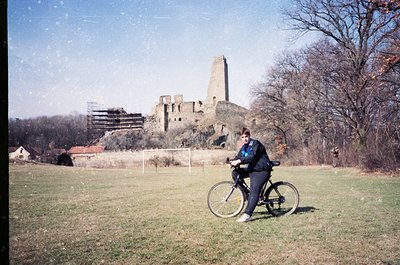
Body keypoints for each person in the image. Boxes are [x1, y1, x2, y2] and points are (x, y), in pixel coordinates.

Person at [230, 127, 272, 223]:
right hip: (253, 169)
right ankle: (247, 194)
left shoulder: (255, 144)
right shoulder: (244, 147)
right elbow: (239, 157)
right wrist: (231, 161)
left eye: (246, 136)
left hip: (262, 170)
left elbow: (251, 156)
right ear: (240, 138)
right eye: (243, 137)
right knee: (235, 173)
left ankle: (247, 214)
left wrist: (239, 161)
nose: (245, 139)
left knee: (254, 190)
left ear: (249, 136)